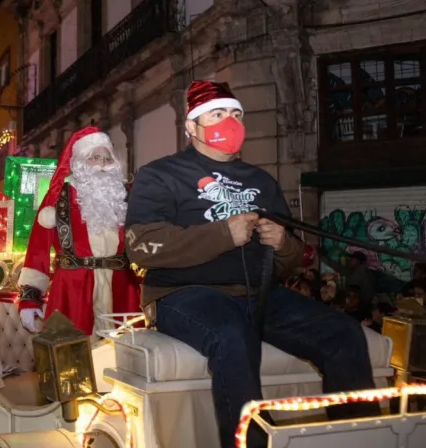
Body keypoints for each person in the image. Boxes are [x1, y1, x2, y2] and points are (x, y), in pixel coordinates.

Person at [125, 80, 379, 448]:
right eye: (217, 114)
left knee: (344, 333)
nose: (230, 121)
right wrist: (222, 234)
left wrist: (285, 244)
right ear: (191, 127)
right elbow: (142, 248)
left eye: (236, 114)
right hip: (184, 294)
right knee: (232, 337)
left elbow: (289, 263)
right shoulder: (160, 175)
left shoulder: (261, 180)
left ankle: (358, 440)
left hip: (260, 293)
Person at [17, 126, 142, 335]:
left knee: (127, 355)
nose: (102, 164)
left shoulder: (125, 195)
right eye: (94, 157)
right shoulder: (59, 196)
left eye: (107, 158)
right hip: (72, 289)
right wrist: (30, 297)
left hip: (122, 287)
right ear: (79, 163)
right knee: (73, 357)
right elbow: (38, 248)